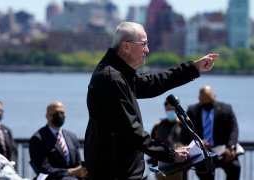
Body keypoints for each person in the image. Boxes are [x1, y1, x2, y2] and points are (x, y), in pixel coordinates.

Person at [84, 21, 218, 180]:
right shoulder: (112, 78)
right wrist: (170, 154)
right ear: (126, 46)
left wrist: (193, 67)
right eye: (144, 44)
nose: (147, 50)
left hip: (121, 170)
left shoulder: (120, 74)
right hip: (114, 172)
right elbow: (131, 131)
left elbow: (155, 82)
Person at [186, 85, 240, 180]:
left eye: (209, 99)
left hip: (223, 151)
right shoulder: (192, 110)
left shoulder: (226, 109)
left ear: (214, 96)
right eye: (204, 100)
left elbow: (233, 129)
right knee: (205, 173)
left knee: (235, 167)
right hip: (203, 153)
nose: (207, 103)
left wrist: (231, 147)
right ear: (199, 98)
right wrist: (199, 143)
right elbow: (186, 131)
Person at [29, 101, 88, 180]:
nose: (60, 115)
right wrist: (70, 172)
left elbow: (77, 164)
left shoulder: (72, 137)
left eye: (62, 113)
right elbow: (43, 169)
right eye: (57, 113)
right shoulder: (38, 139)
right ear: (47, 116)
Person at [150, 101, 190, 180]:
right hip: (162, 166)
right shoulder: (158, 126)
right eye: (169, 109)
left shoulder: (184, 125)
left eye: (173, 109)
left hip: (180, 166)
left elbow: (189, 143)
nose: (171, 111)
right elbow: (152, 144)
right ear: (165, 109)